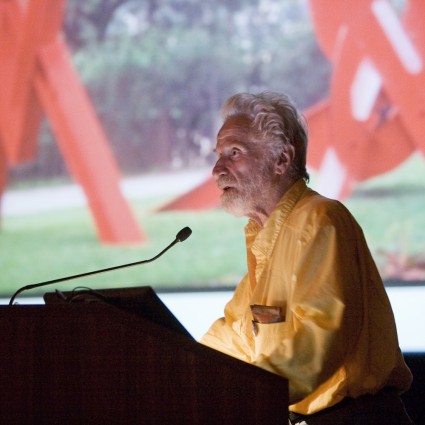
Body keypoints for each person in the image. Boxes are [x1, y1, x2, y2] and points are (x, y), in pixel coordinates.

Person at [200, 92, 413, 424]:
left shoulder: (319, 220)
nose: (217, 169)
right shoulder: (267, 236)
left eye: (234, 153)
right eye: (218, 155)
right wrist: (183, 374)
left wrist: (237, 395)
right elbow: (236, 336)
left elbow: (318, 339)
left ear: (282, 159)